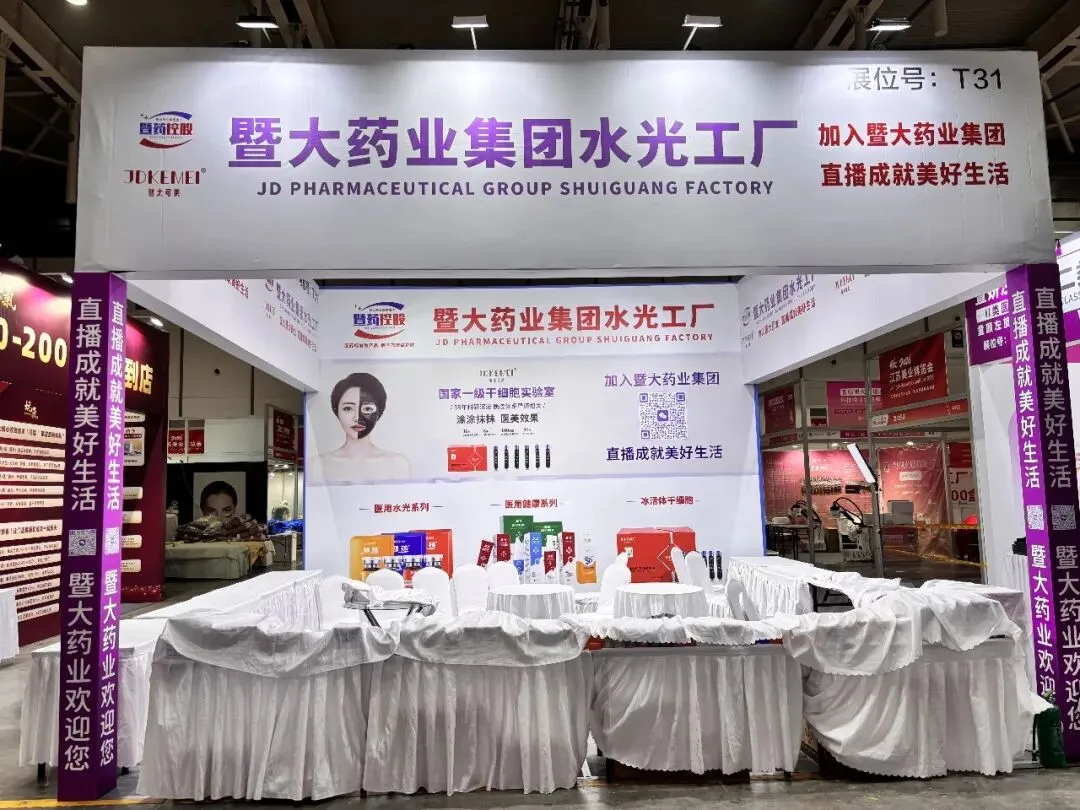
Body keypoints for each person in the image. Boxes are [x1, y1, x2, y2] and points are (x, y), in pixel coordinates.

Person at [320, 372, 411, 482]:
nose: (357, 417)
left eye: (367, 409)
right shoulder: (318, 465)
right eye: (348, 408)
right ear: (336, 411)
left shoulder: (397, 464)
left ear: (379, 412)